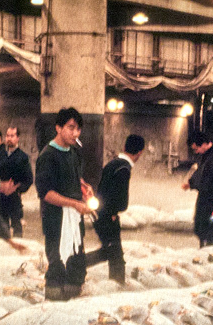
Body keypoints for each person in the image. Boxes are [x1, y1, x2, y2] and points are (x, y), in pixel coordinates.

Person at [35, 107, 94, 300]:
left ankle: (73, 301)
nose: (75, 133)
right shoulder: (48, 156)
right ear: (58, 128)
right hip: (56, 219)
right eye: (71, 128)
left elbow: (74, 178)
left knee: (77, 260)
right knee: (57, 262)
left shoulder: (74, 153)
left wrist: (84, 187)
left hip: (74, 218)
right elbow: (46, 193)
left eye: (78, 129)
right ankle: (53, 302)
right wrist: (74, 204)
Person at [86, 134, 144, 284]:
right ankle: (77, 264)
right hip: (108, 216)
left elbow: (102, 189)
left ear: (124, 147)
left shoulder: (113, 164)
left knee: (113, 252)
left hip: (99, 213)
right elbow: (119, 197)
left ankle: (116, 283)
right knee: (113, 253)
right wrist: (114, 212)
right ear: (140, 153)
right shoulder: (124, 169)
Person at [182, 131, 213, 247]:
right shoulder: (204, 155)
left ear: (204, 144)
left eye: (196, 148)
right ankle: (205, 250)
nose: (196, 151)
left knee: (209, 227)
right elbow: (200, 174)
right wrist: (191, 184)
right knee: (198, 228)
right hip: (203, 198)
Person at [0, 126, 33, 237]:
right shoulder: (0, 155)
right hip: (1, 197)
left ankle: (18, 246)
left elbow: (29, 179)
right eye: (7, 136)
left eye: (12, 136)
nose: (9, 138)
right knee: (2, 227)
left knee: (17, 226)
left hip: (14, 198)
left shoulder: (23, 157)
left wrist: (18, 189)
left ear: (17, 138)